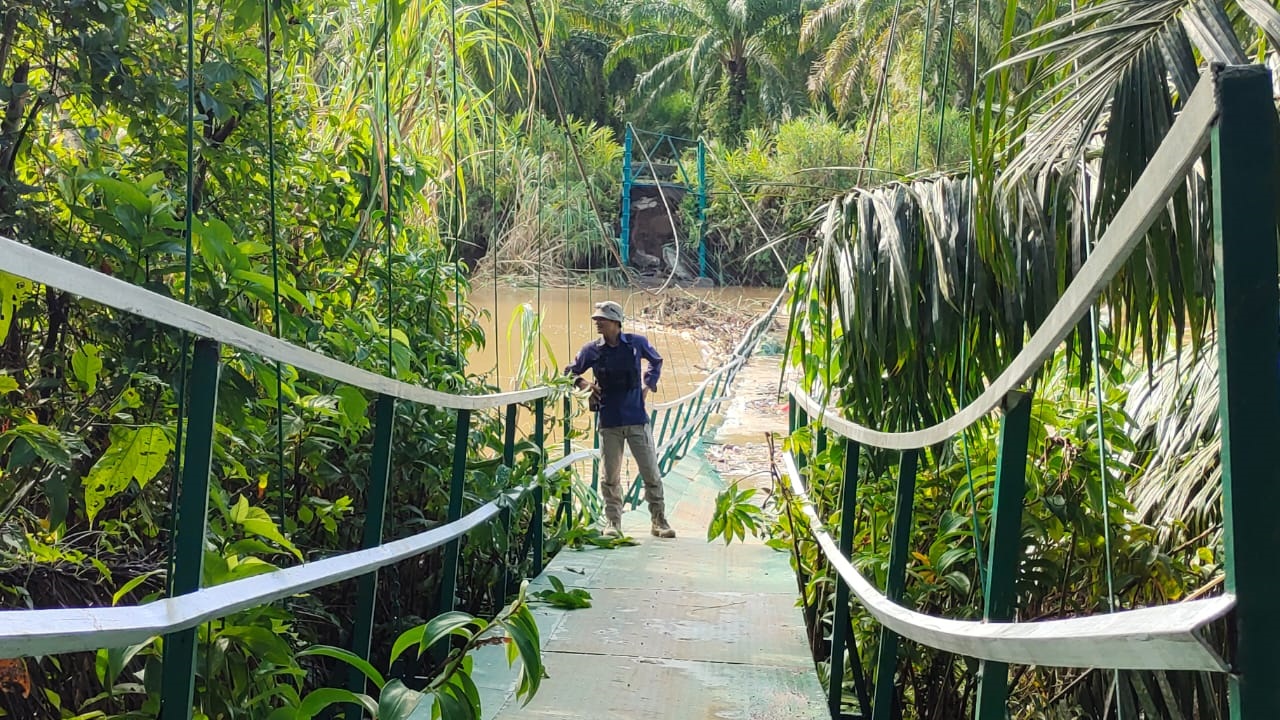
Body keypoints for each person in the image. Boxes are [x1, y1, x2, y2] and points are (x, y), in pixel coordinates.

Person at [565, 300, 675, 539]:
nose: (597, 323)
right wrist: (583, 383)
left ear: (616, 322)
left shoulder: (637, 344)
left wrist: (648, 384)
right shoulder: (591, 350)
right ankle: (613, 523)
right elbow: (569, 372)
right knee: (609, 477)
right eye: (596, 319)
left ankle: (659, 521)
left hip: (636, 419)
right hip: (609, 422)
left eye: (601, 319)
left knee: (650, 472)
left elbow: (656, 361)